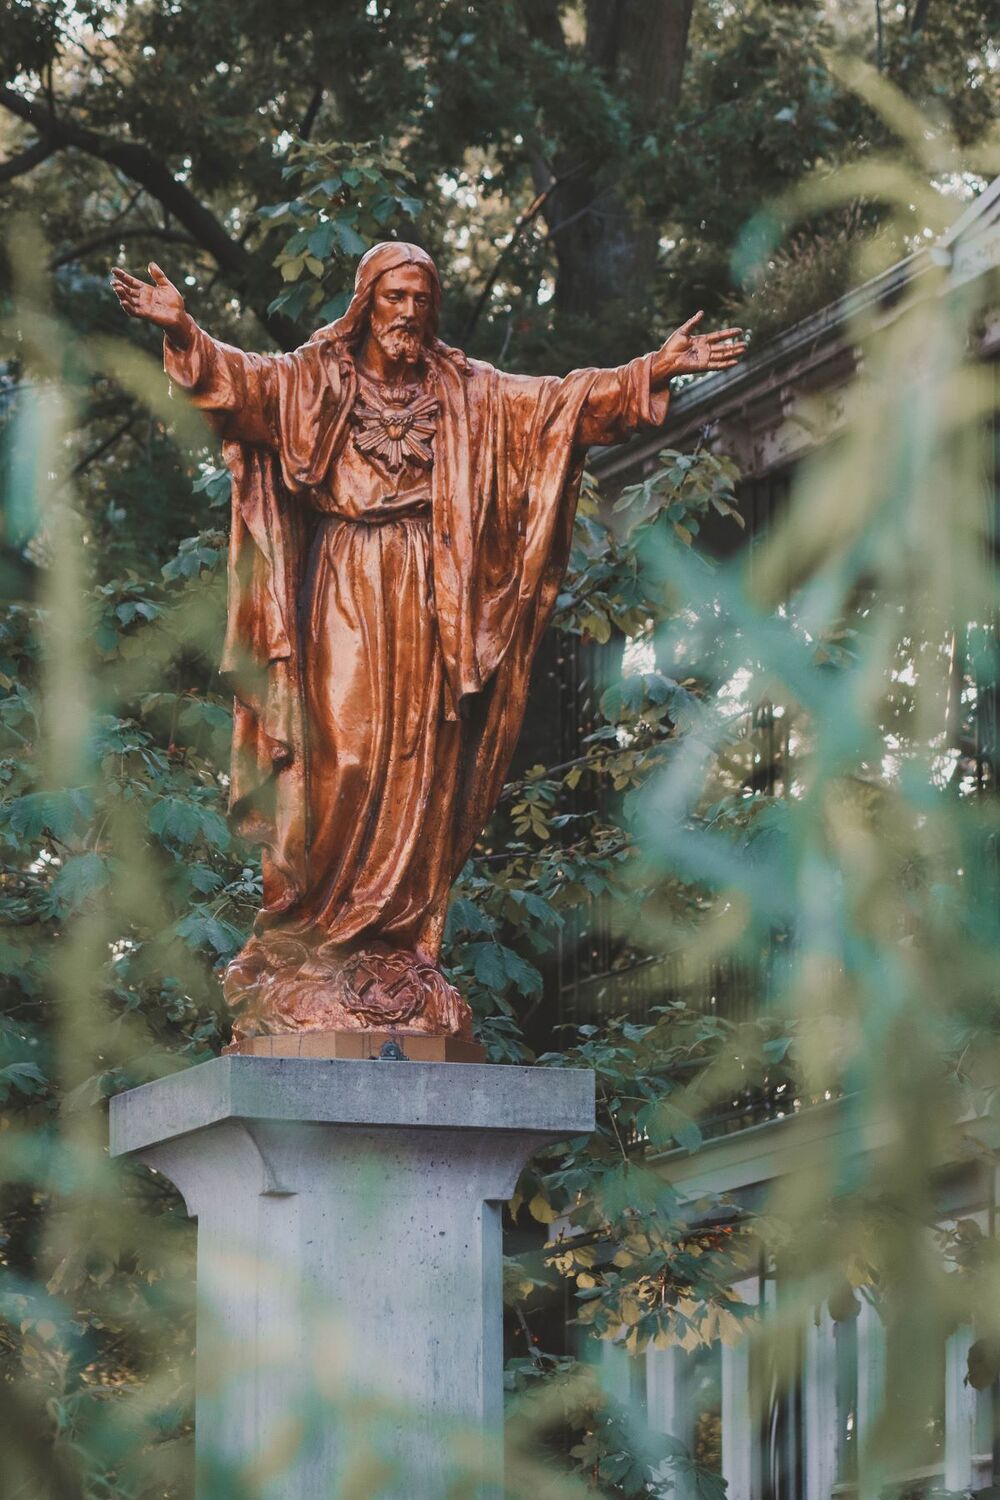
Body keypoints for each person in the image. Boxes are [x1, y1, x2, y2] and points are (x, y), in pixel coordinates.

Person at [111, 243, 746, 1044]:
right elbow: (244, 385)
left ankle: (391, 947)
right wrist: (184, 331)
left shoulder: (465, 388)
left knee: (419, 763)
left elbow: (560, 405)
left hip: (430, 598)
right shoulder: (319, 376)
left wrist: (650, 370)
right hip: (344, 583)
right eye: (395, 296)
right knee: (342, 756)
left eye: (421, 297)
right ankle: (314, 936)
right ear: (366, 303)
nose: (409, 312)